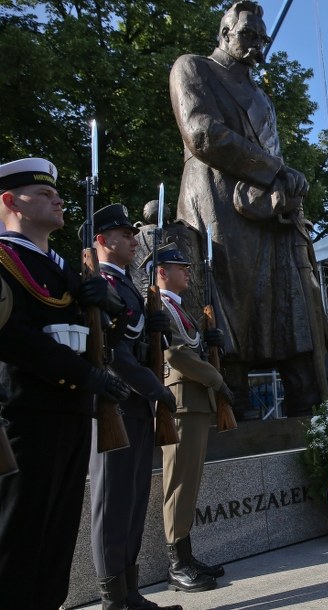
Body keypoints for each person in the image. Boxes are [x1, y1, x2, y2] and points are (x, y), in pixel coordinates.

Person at [169, 1, 328, 416]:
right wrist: (277, 170)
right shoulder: (193, 68)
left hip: (266, 211)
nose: (256, 45)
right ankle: (233, 413)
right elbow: (202, 133)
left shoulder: (262, 96)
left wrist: (286, 187)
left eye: (261, 38)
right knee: (227, 308)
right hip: (216, 202)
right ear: (224, 33)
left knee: (291, 312)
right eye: (247, 35)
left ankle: (315, 423)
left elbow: (272, 154)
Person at [0, 157, 131, 609]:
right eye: (42, 193)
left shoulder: (65, 267)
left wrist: (107, 303)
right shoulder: (5, 258)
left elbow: (97, 337)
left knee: (57, 538)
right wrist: (84, 375)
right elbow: (13, 337)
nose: (56, 198)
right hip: (26, 410)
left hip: (73, 410)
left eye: (55, 192)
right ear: (9, 201)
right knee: (19, 536)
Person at [85, 204, 181, 610]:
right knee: (112, 502)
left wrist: (155, 337)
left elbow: (136, 347)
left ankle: (130, 592)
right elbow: (113, 355)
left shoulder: (127, 286)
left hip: (136, 406)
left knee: (135, 498)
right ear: (104, 241)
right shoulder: (100, 283)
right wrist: (156, 390)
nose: (132, 240)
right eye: (124, 235)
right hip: (118, 404)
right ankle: (112, 599)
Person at [147, 243, 235, 592]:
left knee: (190, 483)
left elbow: (191, 347)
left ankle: (187, 553)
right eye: (180, 267)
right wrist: (217, 380)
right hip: (181, 403)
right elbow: (175, 354)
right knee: (179, 485)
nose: (188, 272)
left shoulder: (180, 308)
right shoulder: (160, 305)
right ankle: (176, 563)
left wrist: (210, 341)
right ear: (162, 271)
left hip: (196, 402)